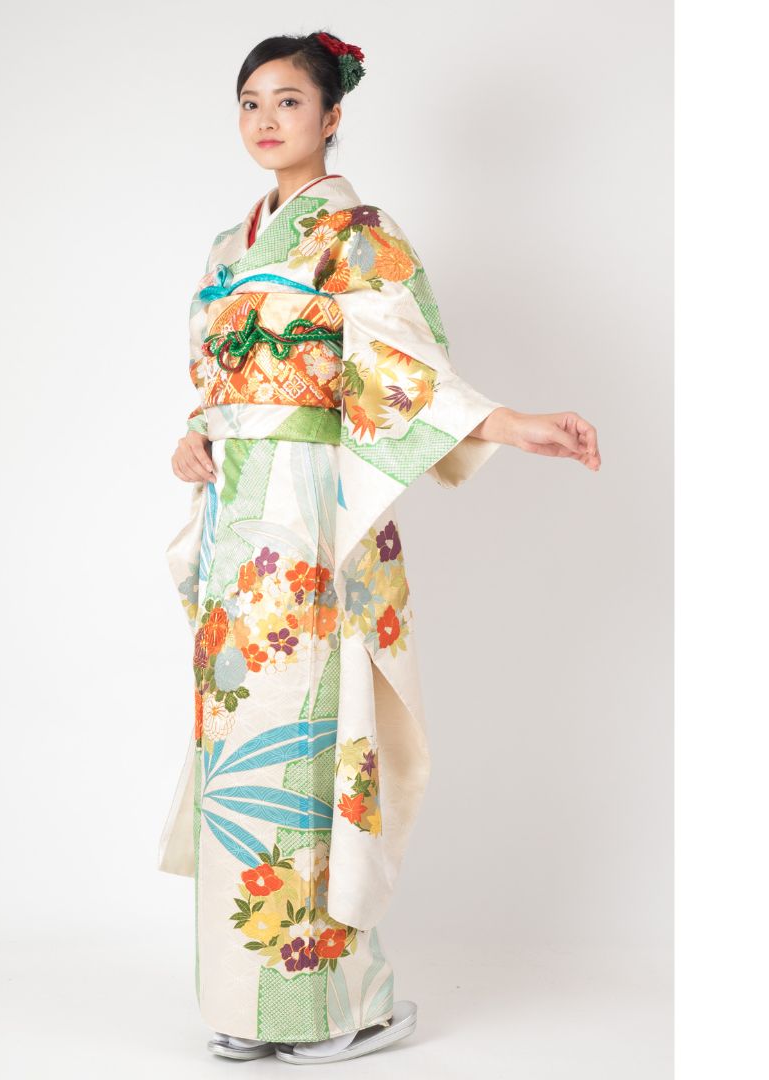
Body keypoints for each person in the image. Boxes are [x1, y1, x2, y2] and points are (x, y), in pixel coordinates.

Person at [157, 30, 601, 1065]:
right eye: (251, 103)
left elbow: (409, 371)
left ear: (332, 116)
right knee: (240, 738)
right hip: (239, 524)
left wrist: (507, 423)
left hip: (314, 516)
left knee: (313, 736)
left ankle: (334, 1005)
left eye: (289, 101)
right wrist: (195, 439)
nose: (267, 120)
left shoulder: (359, 235)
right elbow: (216, 386)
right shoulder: (227, 248)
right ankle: (242, 1004)